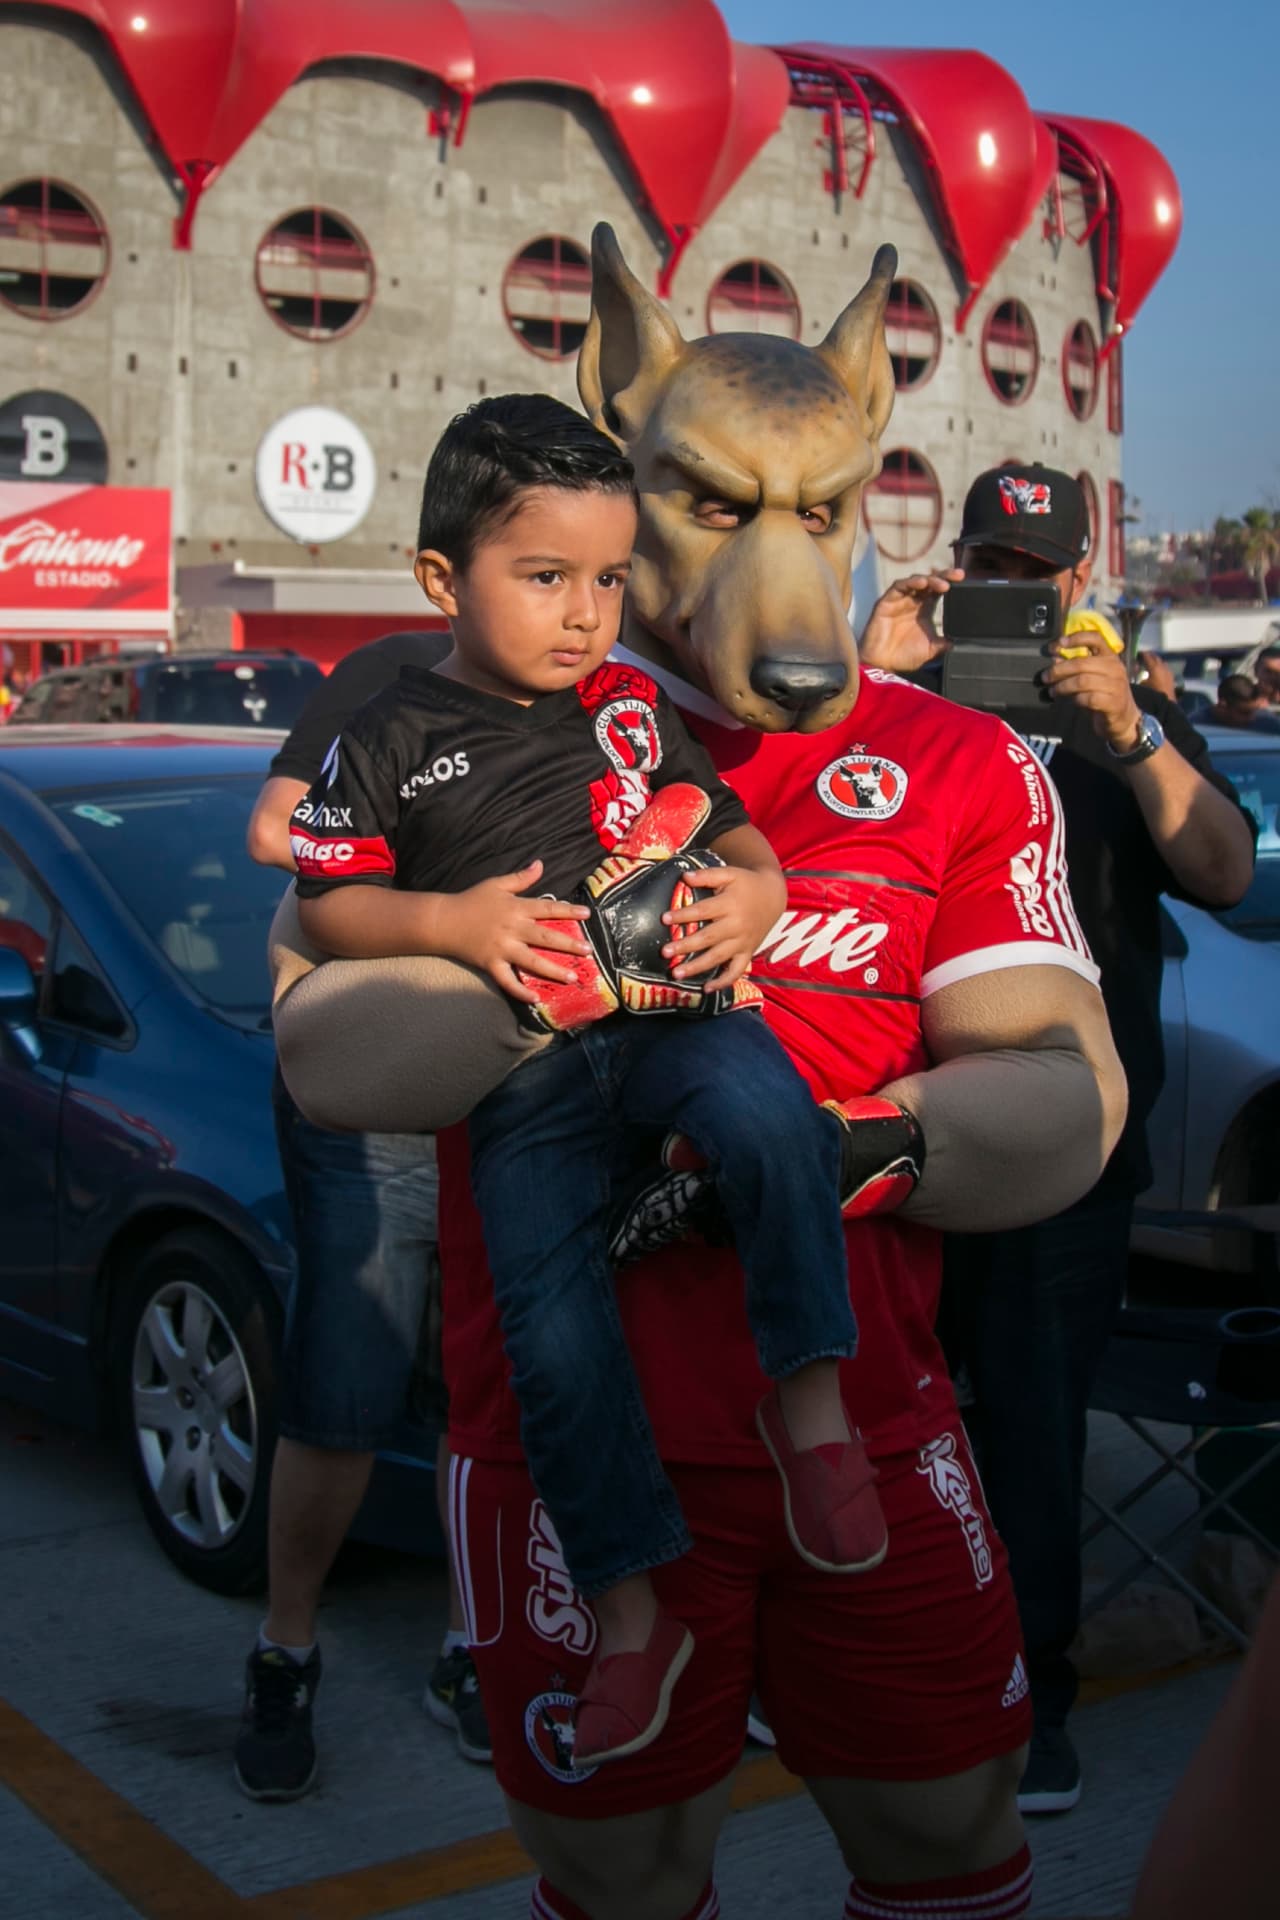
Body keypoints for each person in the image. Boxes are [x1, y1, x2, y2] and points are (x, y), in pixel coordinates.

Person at [290, 394, 900, 1767]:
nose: (585, 614)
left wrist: (756, 898)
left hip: (683, 1019)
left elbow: (743, 844)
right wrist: (448, 927)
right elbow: (328, 909)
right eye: (546, 577)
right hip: (524, 1080)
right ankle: (633, 1619)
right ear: (443, 580)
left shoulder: (629, 706)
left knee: (773, 1126)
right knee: (552, 1344)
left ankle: (812, 1409)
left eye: (611, 580)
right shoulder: (381, 733)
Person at [859, 461, 1257, 1815]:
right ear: (955, 567)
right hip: (900, 1127)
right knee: (868, 1417)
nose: (1015, 597)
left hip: (1062, 1151)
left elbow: (1226, 874)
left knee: (1030, 1434)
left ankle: (1035, 1706)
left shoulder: (1125, 721)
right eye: (993, 570)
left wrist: (1136, 734)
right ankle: (868, 1674)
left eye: (1039, 577)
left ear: (1082, 582)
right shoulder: (903, 712)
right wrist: (875, 673)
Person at [233, 623, 496, 1801]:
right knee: (348, 1376)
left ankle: (472, 1648)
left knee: (491, 1375)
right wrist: (437, 905)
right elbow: (270, 825)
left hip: (519, 1064)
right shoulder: (391, 671)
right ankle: (285, 1652)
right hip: (375, 1049)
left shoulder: (606, 695)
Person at [1211, 671, 1280, 733]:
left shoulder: (1269, 724)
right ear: (1223, 706)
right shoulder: (1202, 726)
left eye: (1255, 711)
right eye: (1245, 713)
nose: (1252, 718)